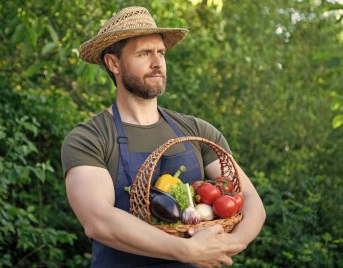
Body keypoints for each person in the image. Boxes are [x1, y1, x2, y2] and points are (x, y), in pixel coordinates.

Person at [61, 6, 266, 268]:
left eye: (161, 53)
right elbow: (98, 220)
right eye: (144, 53)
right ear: (114, 63)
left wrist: (226, 246)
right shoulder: (90, 138)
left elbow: (250, 201)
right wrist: (186, 250)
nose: (157, 62)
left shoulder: (197, 131)